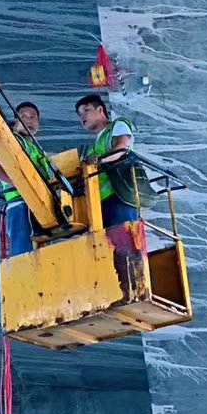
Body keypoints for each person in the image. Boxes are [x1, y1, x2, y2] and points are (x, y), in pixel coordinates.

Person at [75, 93, 154, 289]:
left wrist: (100, 161)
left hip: (120, 196)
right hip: (101, 203)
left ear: (100, 110)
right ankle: (122, 289)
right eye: (79, 114)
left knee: (126, 241)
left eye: (86, 110)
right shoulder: (94, 147)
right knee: (111, 247)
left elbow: (122, 147)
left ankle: (136, 287)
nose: (82, 116)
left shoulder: (117, 126)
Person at [0, 102, 44, 258]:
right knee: (23, 255)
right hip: (20, 204)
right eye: (23, 116)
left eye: (32, 117)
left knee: (36, 254)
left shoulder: (34, 148)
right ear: (15, 121)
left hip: (36, 204)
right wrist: (13, 181)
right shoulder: (11, 140)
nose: (28, 121)